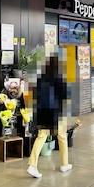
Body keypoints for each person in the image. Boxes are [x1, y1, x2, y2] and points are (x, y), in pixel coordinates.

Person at [27, 48, 72, 178]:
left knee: (42, 136)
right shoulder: (58, 77)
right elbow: (64, 95)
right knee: (62, 137)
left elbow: (35, 94)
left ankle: (33, 164)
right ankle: (63, 164)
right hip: (56, 112)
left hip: (42, 110)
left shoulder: (41, 77)